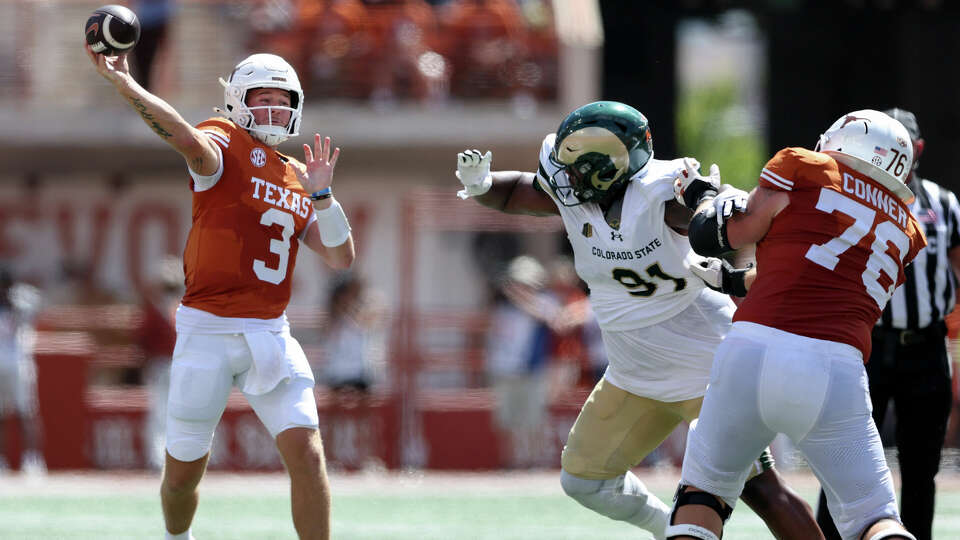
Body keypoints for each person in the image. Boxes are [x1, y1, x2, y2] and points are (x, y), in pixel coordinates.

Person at [455, 100, 820, 540]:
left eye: (574, 171)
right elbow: (518, 191)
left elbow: (732, 218)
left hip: (705, 365)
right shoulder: (577, 194)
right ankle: (665, 528)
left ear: (607, 170)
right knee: (585, 480)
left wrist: (709, 200)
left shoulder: (662, 192)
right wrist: (480, 184)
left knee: (763, 493)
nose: (562, 180)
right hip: (633, 374)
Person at [86, 45, 355, 540]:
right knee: (182, 477)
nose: (274, 109)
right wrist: (127, 84)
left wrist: (324, 196)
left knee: (309, 452)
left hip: (270, 332)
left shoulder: (297, 175)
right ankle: (176, 537)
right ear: (236, 101)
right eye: (263, 98)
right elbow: (186, 139)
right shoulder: (223, 141)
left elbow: (341, 257)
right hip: (206, 330)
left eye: (282, 100)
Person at [667, 109, 926, 540]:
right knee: (874, 518)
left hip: (752, 350)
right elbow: (823, 280)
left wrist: (703, 198)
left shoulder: (806, 167)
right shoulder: (906, 227)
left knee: (704, 494)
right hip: (835, 369)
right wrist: (737, 281)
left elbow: (722, 234)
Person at [812, 109, 960, 540]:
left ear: (918, 150)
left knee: (921, 467)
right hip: (864, 343)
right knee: (842, 458)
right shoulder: (848, 197)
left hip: (924, 346)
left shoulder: (944, 204)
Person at [484, 255, 556, 469]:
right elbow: (494, 338)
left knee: (533, 419)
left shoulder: (545, 301)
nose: (518, 287)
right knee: (508, 421)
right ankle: (513, 462)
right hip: (505, 370)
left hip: (532, 370)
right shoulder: (501, 308)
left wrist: (520, 299)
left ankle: (535, 462)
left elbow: (551, 319)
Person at [136, 256, 183, 471]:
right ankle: (160, 458)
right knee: (163, 413)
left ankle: (169, 458)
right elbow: (142, 340)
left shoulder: (174, 310)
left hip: (171, 366)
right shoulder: (162, 311)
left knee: (170, 413)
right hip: (165, 365)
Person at [0, 269, 45, 475]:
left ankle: (33, 459)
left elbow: (37, 306)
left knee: (25, 413)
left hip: (19, 364)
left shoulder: (20, 301)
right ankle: (2, 460)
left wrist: (15, 300)